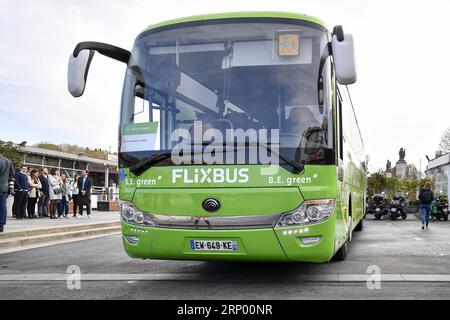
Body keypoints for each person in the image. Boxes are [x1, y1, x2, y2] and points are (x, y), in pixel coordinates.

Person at [0, 155, 15, 232]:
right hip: (4, 187)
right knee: (2, 206)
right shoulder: (7, 160)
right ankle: (1, 225)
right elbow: (13, 174)